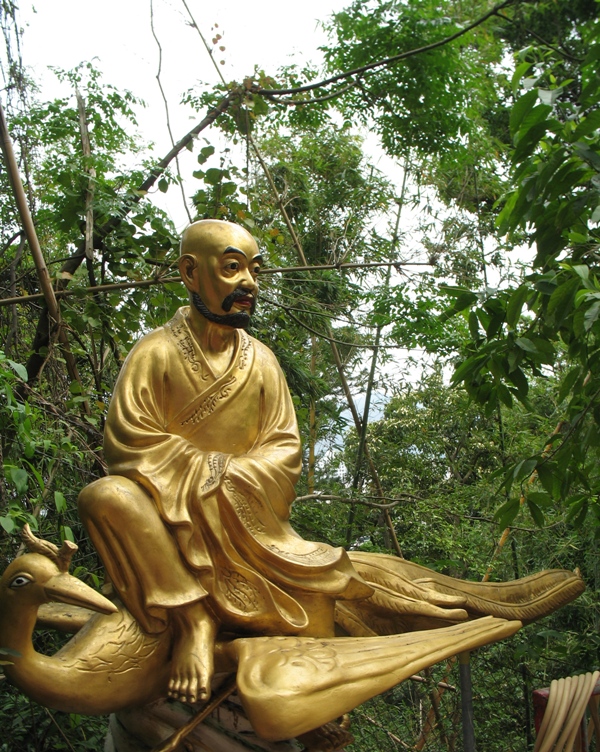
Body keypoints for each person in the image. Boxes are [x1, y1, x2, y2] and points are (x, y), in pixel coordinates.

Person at [78, 219, 582, 712]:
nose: (248, 283)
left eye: (254, 270)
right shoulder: (156, 353)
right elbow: (128, 444)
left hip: (250, 531)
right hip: (167, 536)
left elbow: (283, 450)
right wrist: (212, 472)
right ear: (191, 274)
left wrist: (223, 477)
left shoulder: (262, 362)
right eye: (232, 269)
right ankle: (192, 619)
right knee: (105, 496)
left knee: (328, 605)